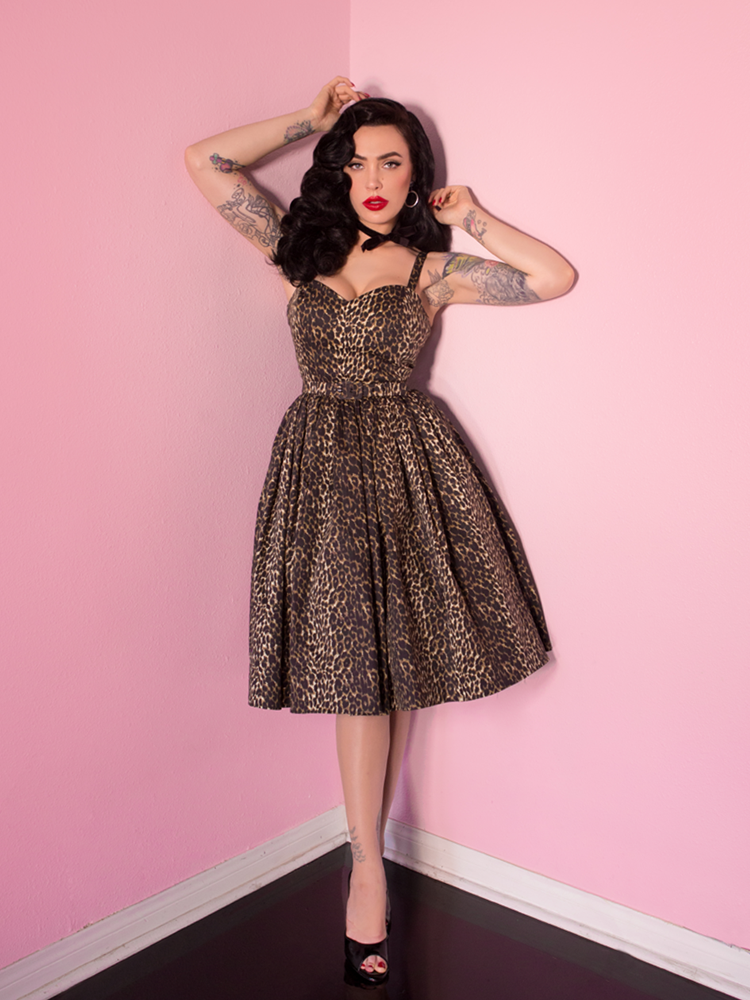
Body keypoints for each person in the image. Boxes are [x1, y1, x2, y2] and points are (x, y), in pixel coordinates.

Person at [185, 75, 574, 985]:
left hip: (407, 460)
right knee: (354, 669)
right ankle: (367, 865)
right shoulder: (297, 248)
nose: (372, 179)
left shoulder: (432, 269)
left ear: (415, 174)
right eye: (355, 161)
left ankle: (367, 858)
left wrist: (472, 217)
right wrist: (311, 120)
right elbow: (206, 161)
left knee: (392, 659)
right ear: (336, 169)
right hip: (319, 463)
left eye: (391, 162)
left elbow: (551, 277)